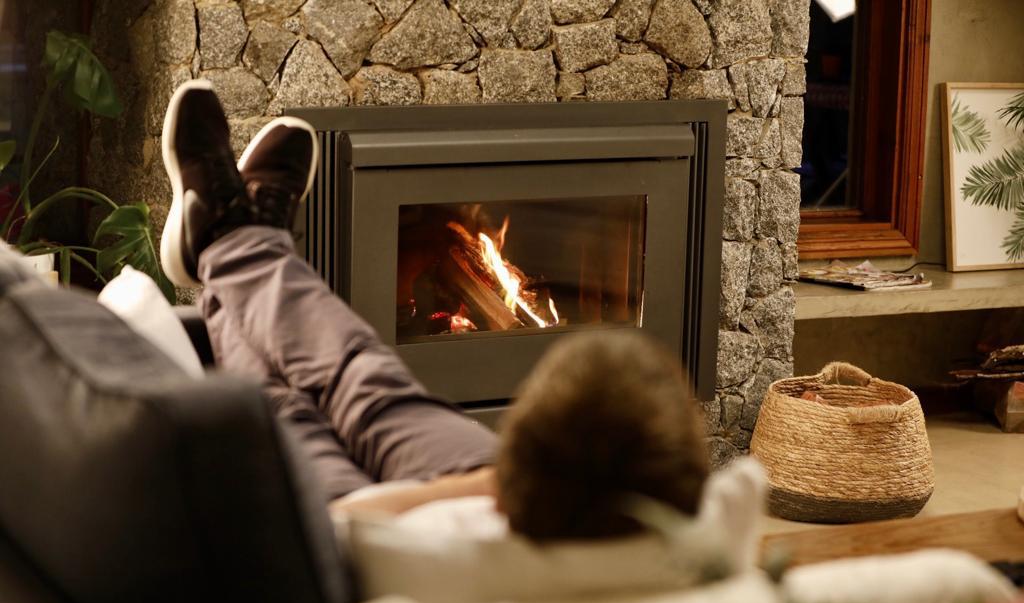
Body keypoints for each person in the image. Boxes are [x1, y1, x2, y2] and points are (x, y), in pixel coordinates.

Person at [30, 80, 714, 539]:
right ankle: (234, 244)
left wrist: (500, 485)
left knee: (322, 389)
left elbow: (354, 519)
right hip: (522, 487)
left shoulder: (438, 568)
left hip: (423, 501)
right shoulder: (698, 584)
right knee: (360, 378)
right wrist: (509, 480)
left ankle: (234, 244)